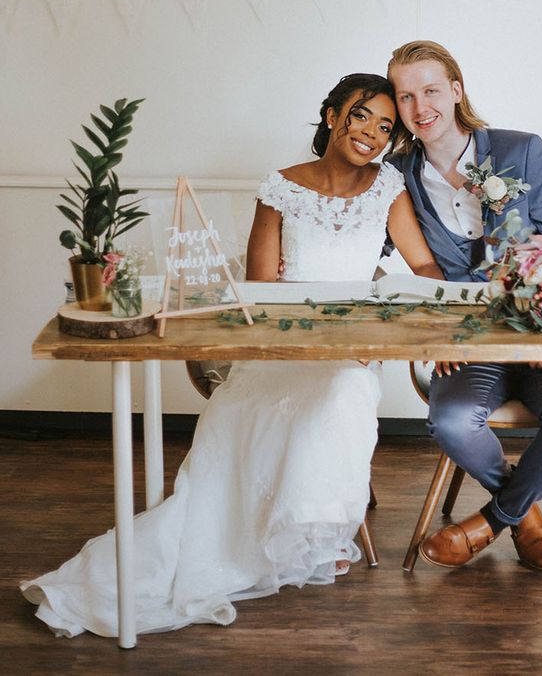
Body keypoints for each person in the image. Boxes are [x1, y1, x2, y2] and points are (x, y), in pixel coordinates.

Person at [20, 73, 443, 638]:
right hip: (278, 344)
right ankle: (238, 536)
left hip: (352, 351)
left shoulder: (388, 189)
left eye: (385, 126)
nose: (371, 132)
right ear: (331, 116)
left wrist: (399, 311)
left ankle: (316, 534)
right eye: (361, 115)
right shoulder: (281, 187)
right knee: (242, 410)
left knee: (341, 394)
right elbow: (258, 288)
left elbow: (425, 269)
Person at [386, 41, 542, 572]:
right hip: (466, 341)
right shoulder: (396, 176)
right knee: (453, 420)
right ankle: (522, 517)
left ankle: (487, 523)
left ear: (456, 90)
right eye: (405, 95)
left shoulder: (521, 150)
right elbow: (363, 250)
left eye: (431, 90)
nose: (420, 107)